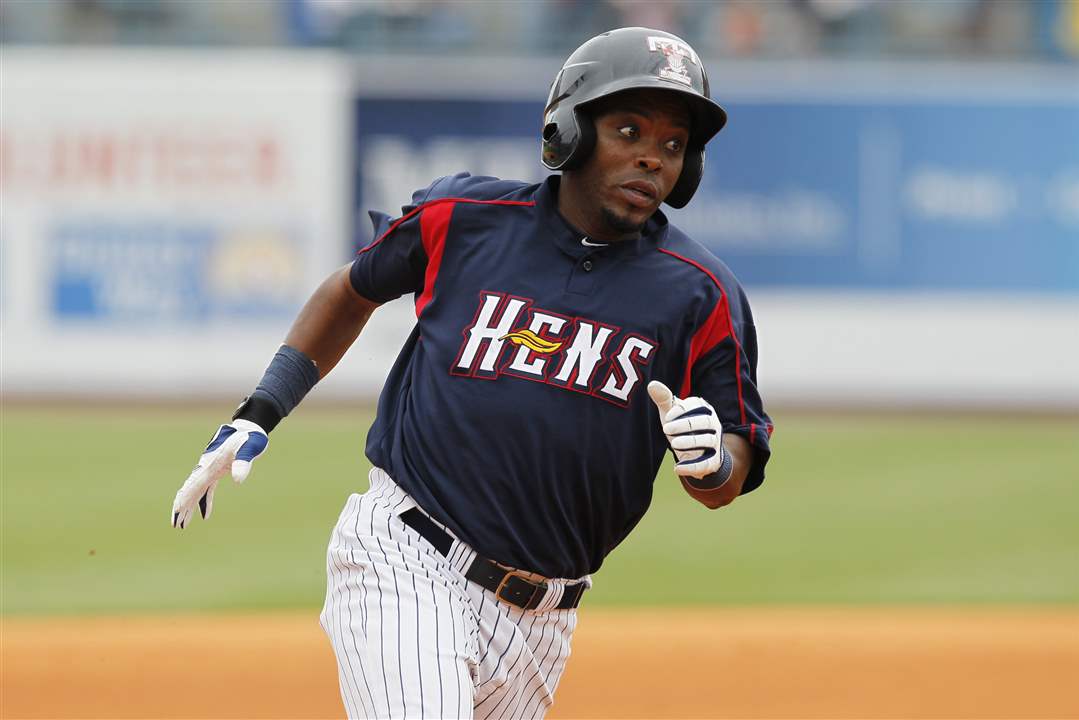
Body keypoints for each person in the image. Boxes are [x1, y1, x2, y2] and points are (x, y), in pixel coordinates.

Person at [171, 26, 772, 719]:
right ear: (570, 130)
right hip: (405, 555)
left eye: (672, 145)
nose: (651, 158)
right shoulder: (464, 219)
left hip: (544, 622)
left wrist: (710, 464)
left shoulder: (700, 294)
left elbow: (731, 466)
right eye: (628, 129)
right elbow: (352, 290)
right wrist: (260, 409)